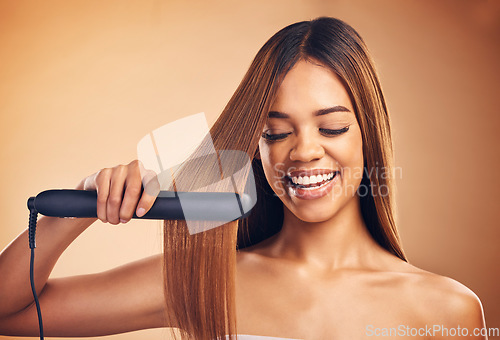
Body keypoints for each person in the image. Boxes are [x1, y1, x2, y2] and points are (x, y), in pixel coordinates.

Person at [0, 16, 487, 340]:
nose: (303, 151)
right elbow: (7, 313)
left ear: (369, 134)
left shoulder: (448, 310)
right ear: (256, 146)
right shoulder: (201, 279)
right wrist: (72, 210)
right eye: (275, 133)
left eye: (332, 126)